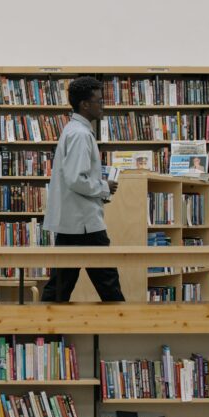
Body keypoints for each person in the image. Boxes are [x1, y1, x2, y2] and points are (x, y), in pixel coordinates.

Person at [40, 76, 125, 302]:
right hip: (85, 224)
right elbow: (76, 179)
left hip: (74, 222)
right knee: (109, 286)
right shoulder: (80, 134)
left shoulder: (73, 130)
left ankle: (43, 324)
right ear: (85, 104)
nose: (103, 105)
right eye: (99, 101)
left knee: (59, 287)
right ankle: (121, 323)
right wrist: (104, 187)